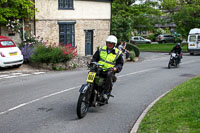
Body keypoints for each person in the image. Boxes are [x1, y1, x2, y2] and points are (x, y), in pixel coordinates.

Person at [90, 35, 124, 99]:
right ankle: (89, 86)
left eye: (111, 43)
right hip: (99, 69)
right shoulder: (101, 49)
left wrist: (116, 68)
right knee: (92, 71)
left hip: (109, 70)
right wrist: (92, 63)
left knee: (109, 74)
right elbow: (95, 58)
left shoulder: (117, 53)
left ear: (114, 44)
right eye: (108, 42)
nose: (109, 44)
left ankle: (106, 92)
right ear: (106, 43)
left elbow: (120, 63)